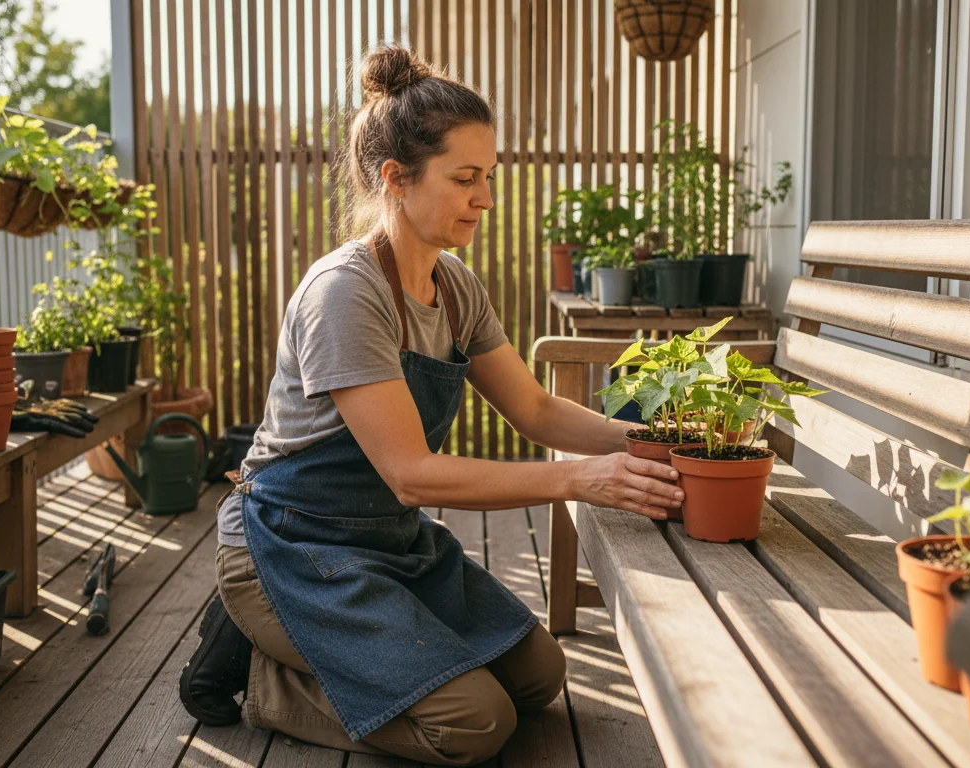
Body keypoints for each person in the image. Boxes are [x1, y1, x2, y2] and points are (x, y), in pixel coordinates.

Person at [178, 44, 683, 767]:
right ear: (396, 179)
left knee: (538, 677)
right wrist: (575, 479)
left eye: (488, 178)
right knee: (474, 726)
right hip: (293, 548)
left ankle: (314, 652)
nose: (486, 199)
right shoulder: (344, 294)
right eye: (465, 179)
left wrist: (647, 444)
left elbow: (536, 411)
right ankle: (253, 670)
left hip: (389, 546)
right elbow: (411, 475)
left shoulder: (456, 287)